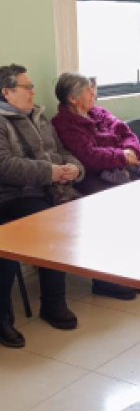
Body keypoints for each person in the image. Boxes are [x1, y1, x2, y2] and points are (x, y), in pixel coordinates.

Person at [0, 64, 84, 348]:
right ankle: (15, 315)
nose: (33, 91)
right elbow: (5, 167)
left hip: (49, 189)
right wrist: (51, 172)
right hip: (13, 197)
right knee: (47, 224)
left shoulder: (39, 115)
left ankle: (61, 299)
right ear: (6, 92)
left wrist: (73, 167)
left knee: (82, 211)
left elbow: (60, 151)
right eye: (27, 87)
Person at [52, 72, 140, 300]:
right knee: (112, 208)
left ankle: (137, 271)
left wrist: (130, 150)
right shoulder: (64, 124)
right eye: (88, 90)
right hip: (92, 178)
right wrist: (121, 156)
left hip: (118, 169)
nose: (94, 93)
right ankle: (106, 280)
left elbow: (126, 132)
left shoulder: (99, 113)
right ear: (72, 98)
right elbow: (89, 157)